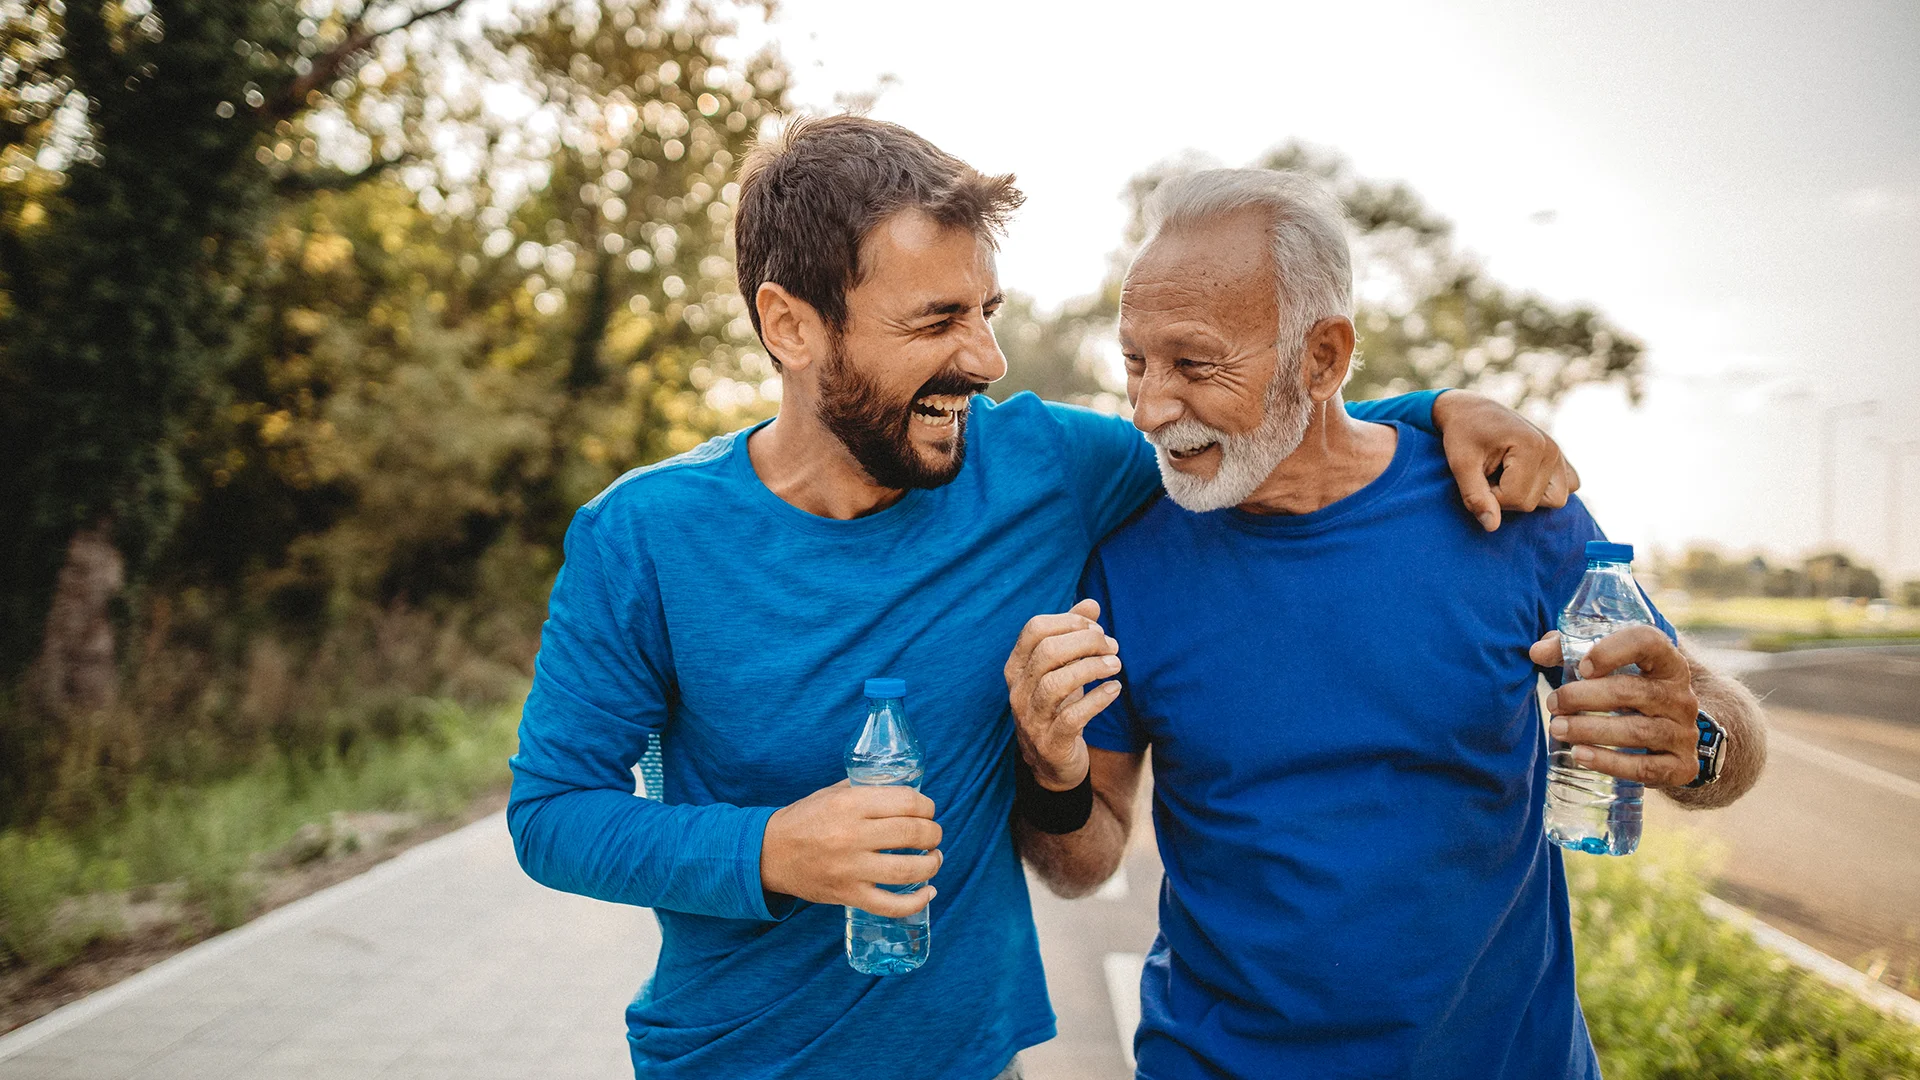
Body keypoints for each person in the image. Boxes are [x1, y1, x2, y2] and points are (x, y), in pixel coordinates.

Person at [507, 117, 1582, 1080]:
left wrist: (1444, 410)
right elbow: (552, 814)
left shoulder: (1045, 470)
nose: (985, 357)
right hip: (734, 1059)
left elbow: (1260, 428)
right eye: (936, 321)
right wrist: (769, 852)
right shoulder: (642, 537)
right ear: (790, 327)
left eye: (987, 310)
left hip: (978, 1059)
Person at [1006, 169, 1768, 1080]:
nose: (1149, 407)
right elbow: (1082, 863)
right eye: (1135, 361)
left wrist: (1702, 741)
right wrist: (1050, 770)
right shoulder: (1128, 558)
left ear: (1322, 359)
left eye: (1195, 364)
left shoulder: (1506, 508)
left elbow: (1717, 729)